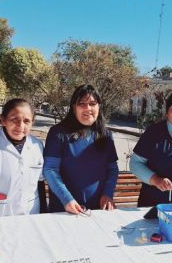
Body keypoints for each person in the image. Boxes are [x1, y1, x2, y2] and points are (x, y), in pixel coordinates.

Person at [43, 84, 119, 214]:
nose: (88, 108)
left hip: (97, 209)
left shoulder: (105, 135)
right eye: (82, 104)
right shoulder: (58, 133)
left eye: (92, 104)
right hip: (65, 209)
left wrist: (108, 194)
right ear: (74, 108)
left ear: (99, 107)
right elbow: (50, 169)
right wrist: (67, 199)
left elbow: (112, 169)